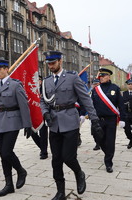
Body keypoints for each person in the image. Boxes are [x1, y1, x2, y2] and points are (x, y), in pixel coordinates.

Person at [40, 51, 103, 200]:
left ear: (60, 61)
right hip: (54, 124)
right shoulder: (46, 81)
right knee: (56, 160)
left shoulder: (72, 77)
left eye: (53, 63)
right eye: (48, 63)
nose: (51, 66)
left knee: (68, 157)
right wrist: (45, 113)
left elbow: (85, 99)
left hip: (70, 121)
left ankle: (79, 173)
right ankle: (60, 191)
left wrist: (94, 120)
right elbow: (43, 100)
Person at [0, 59, 33, 197]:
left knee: (6, 152)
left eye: (0, 69)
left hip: (12, 121)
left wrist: (27, 124)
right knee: (2, 155)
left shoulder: (15, 85)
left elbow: (24, 105)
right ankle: (8, 184)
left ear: (7, 69)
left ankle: (21, 171)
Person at [91, 68, 126, 173]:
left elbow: (121, 105)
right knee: (99, 139)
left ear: (108, 76)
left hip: (111, 119)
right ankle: (108, 153)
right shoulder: (96, 90)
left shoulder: (115, 88)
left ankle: (108, 163)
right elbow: (91, 105)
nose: (101, 78)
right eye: (100, 76)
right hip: (99, 120)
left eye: (103, 76)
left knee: (110, 141)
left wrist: (123, 119)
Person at [31, 75, 48, 159]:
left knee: (43, 133)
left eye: (39, 80)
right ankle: (42, 147)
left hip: (42, 114)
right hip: (33, 114)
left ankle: (44, 152)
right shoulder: (31, 90)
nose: (38, 81)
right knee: (32, 133)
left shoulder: (44, 89)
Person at [90, 79, 101, 151]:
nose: (95, 85)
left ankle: (100, 143)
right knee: (93, 131)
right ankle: (97, 143)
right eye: (94, 84)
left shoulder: (102, 93)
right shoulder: (90, 93)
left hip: (101, 113)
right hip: (93, 114)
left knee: (100, 129)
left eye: (97, 84)